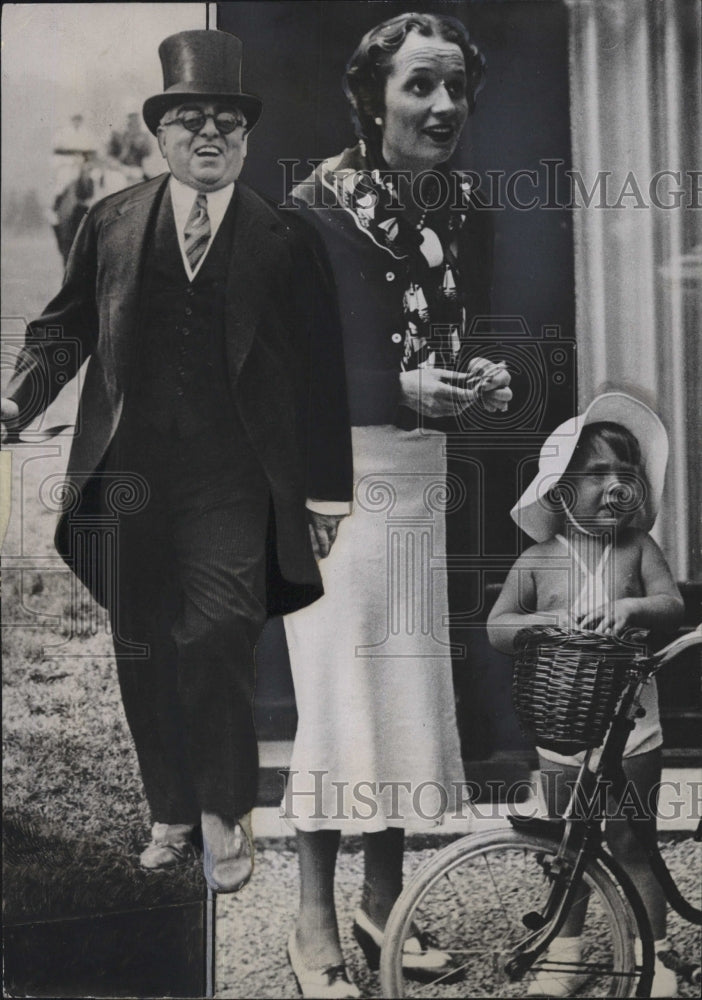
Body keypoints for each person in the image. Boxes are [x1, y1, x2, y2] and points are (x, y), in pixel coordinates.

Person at [1, 29, 352, 895]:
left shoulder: (285, 238)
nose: (209, 137)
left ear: (247, 138)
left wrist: (326, 496)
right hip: (128, 470)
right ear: (159, 136)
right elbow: (64, 328)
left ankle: (224, 806)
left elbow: (323, 372)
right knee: (144, 639)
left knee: (222, 627)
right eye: (190, 120)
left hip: (233, 480)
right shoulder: (112, 222)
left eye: (226, 122)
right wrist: (18, 398)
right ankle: (168, 809)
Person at [280, 13, 512, 997]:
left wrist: (479, 379)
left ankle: (382, 905)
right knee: (341, 697)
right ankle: (311, 920)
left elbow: (442, 346)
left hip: (419, 478)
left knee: (410, 695)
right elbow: (289, 373)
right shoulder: (313, 209)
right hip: (333, 482)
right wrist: (396, 392)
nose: (443, 106)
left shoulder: (464, 206)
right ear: (372, 98)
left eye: (455, 87)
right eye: (420, 86)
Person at [487, 392, 685, 998]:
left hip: (631, 722)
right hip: (561, 727)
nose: (614, 486)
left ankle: (658, 958)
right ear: (561, 488)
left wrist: (631, 606)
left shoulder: (638, 551)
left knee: (631, 840)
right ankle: (565, 951)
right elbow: (498, 628)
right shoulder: (539, 559)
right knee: (564, 840)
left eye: (624, 474)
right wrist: (544, 624)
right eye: (596, 474)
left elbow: (672, 607)